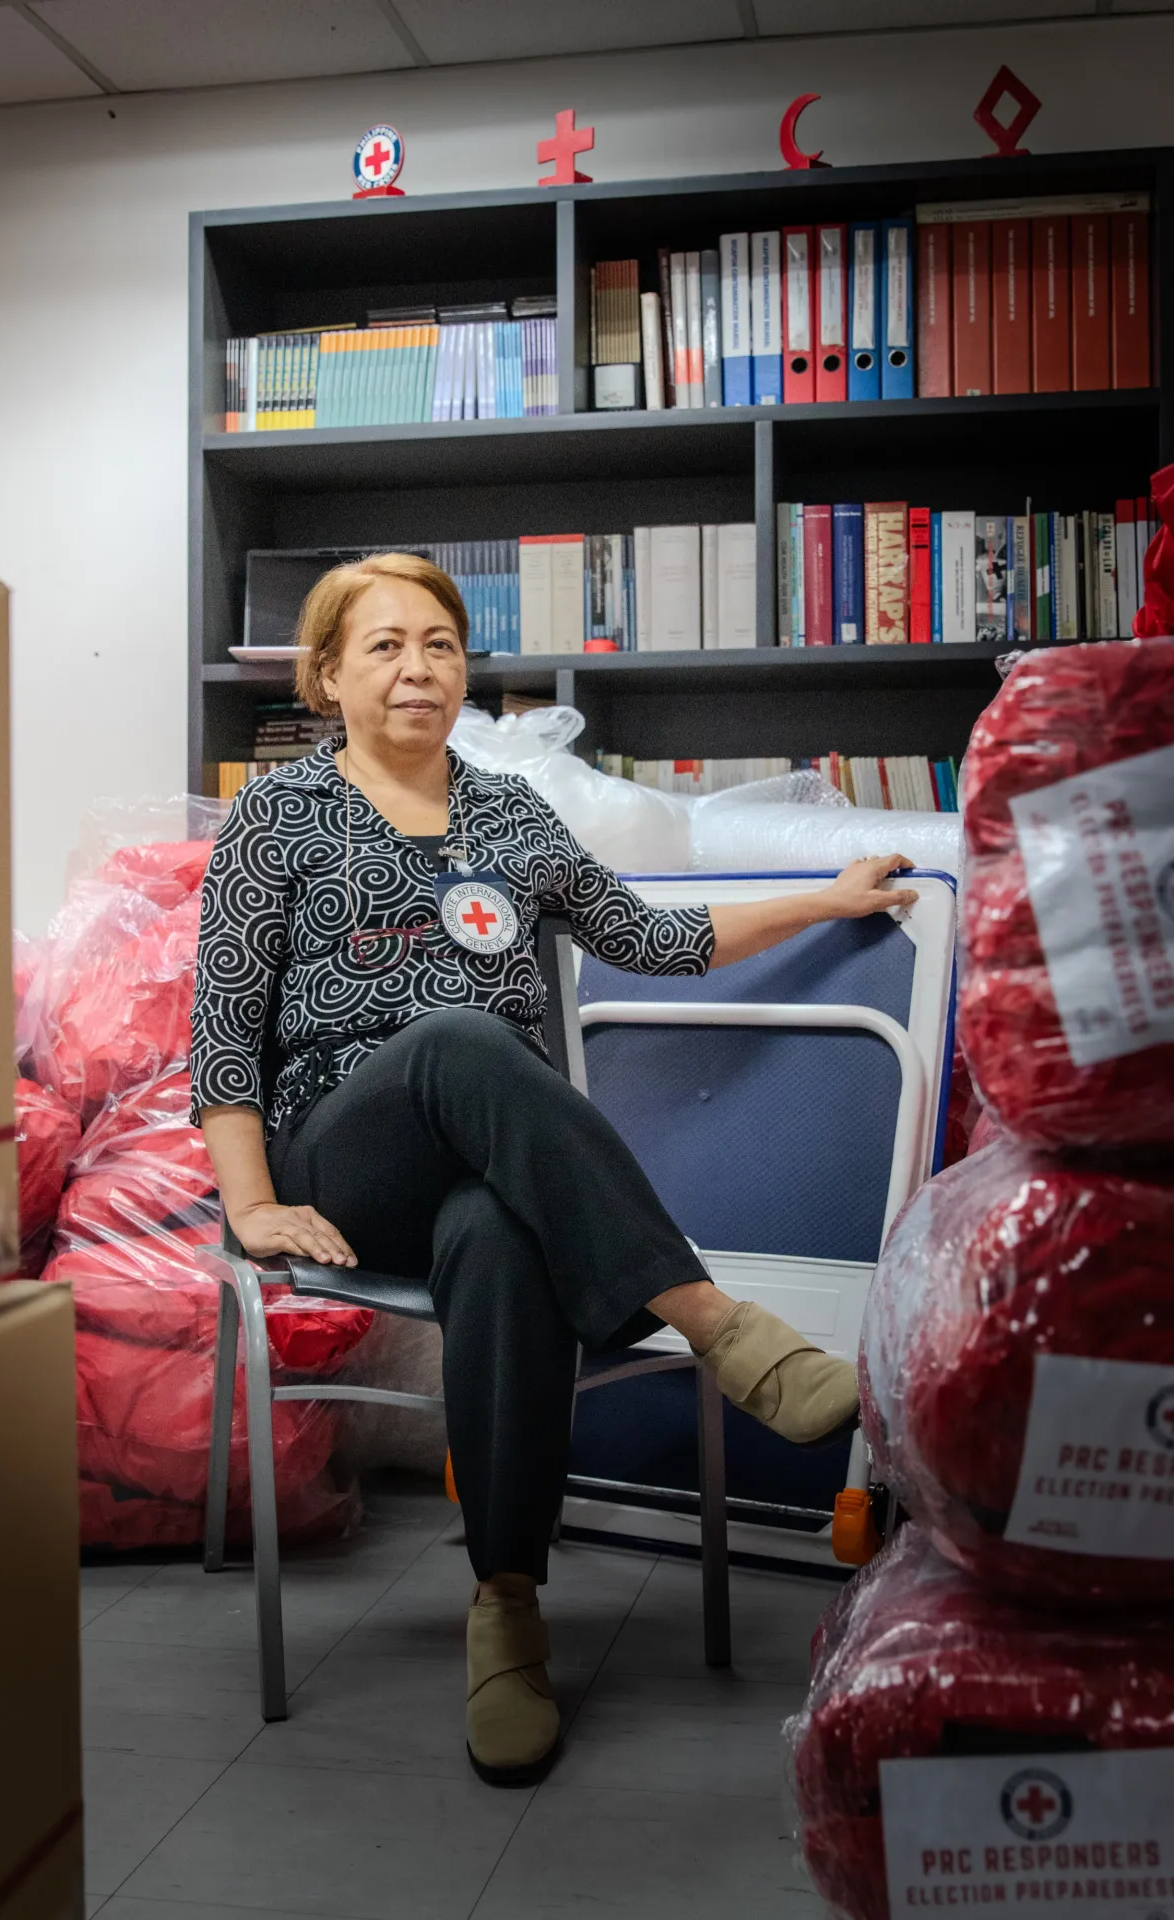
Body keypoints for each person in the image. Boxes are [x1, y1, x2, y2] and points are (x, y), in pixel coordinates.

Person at [191, 551, 917, 1787]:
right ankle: (716, 1325)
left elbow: (654, 936)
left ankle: (506, 1612)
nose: (418, 666)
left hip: (478, 1167)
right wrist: (252, 1204)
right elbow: (222, 1031)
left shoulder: (513, 818)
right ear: (325, 676)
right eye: (384, 645)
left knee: (500, 1232)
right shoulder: (280, 816)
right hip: (340, 1164)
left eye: (438, 642)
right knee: (461, 1043)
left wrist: (823, 899)